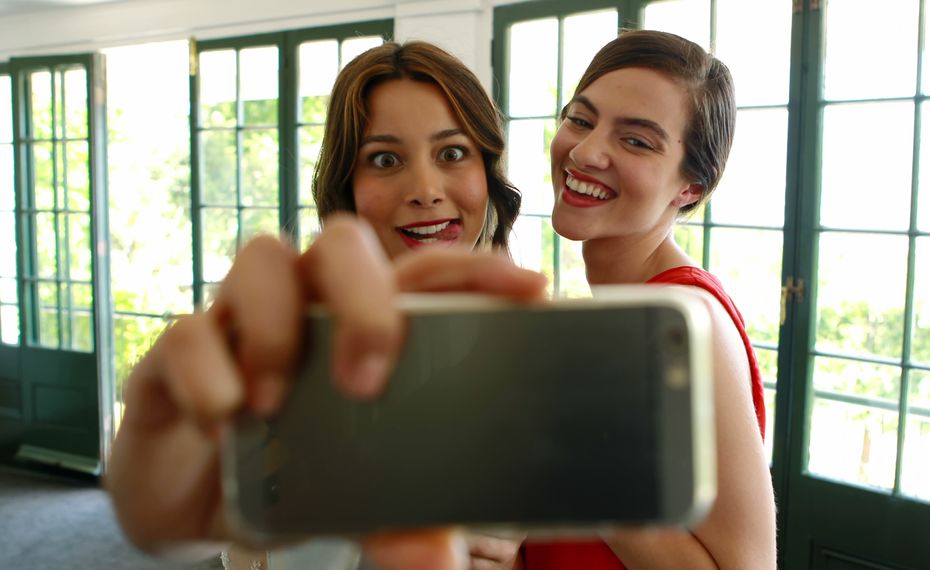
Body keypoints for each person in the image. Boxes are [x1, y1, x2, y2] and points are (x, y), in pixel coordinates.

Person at [105, 40, 544, 570]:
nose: (425, 189)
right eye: (384, 159)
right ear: (348, 188)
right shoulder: (286, 356)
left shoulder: (537, 353)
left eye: (452, 153)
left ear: (488, 172)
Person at [521, 29, 777, 569]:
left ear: (691, 188)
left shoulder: (684, 323)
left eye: (636, 140)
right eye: (581, 119)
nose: (586, 151)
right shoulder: (621, 317)